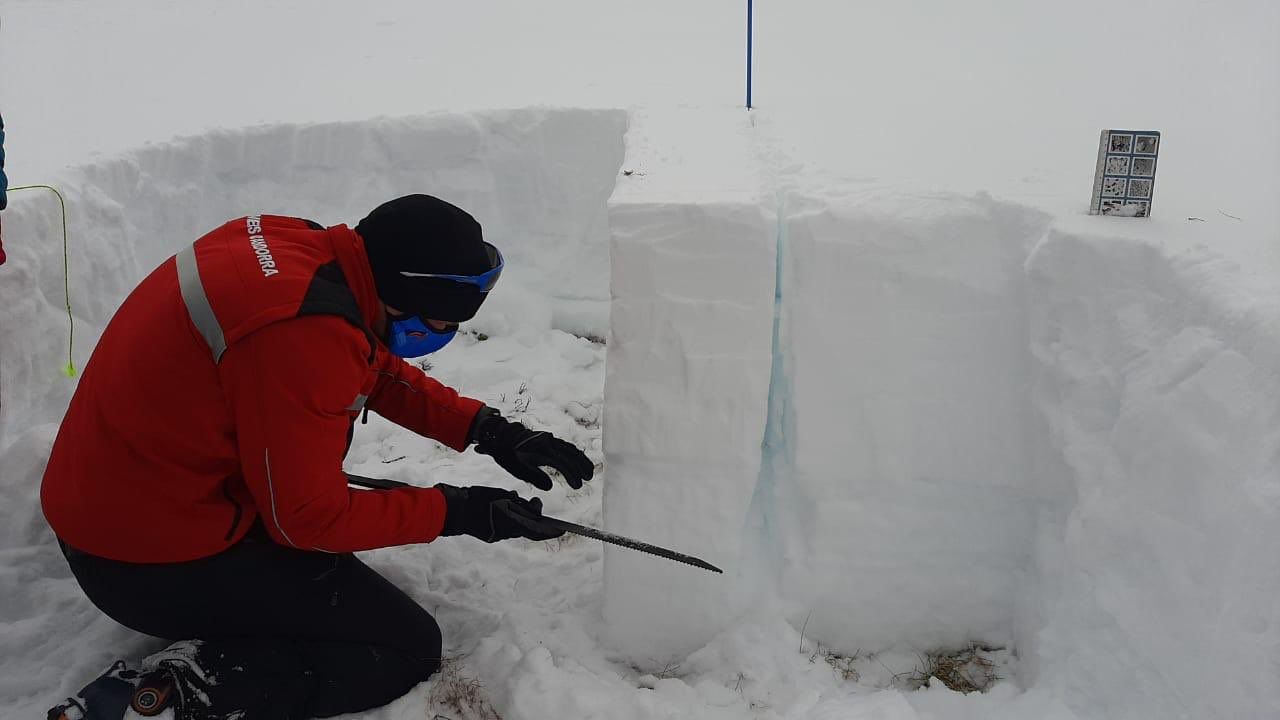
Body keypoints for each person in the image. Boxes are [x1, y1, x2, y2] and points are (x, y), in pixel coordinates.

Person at [41, 195, 595, 720]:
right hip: (143, 561)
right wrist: (459, 511)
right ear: (402, 292)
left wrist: (487, 429)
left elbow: (361, 359)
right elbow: (307, 520)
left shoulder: (298, 250)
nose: (443, 335)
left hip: (124, 496)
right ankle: (156, 700)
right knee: (401, 647)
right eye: (441, 323)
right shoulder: (301, 334)